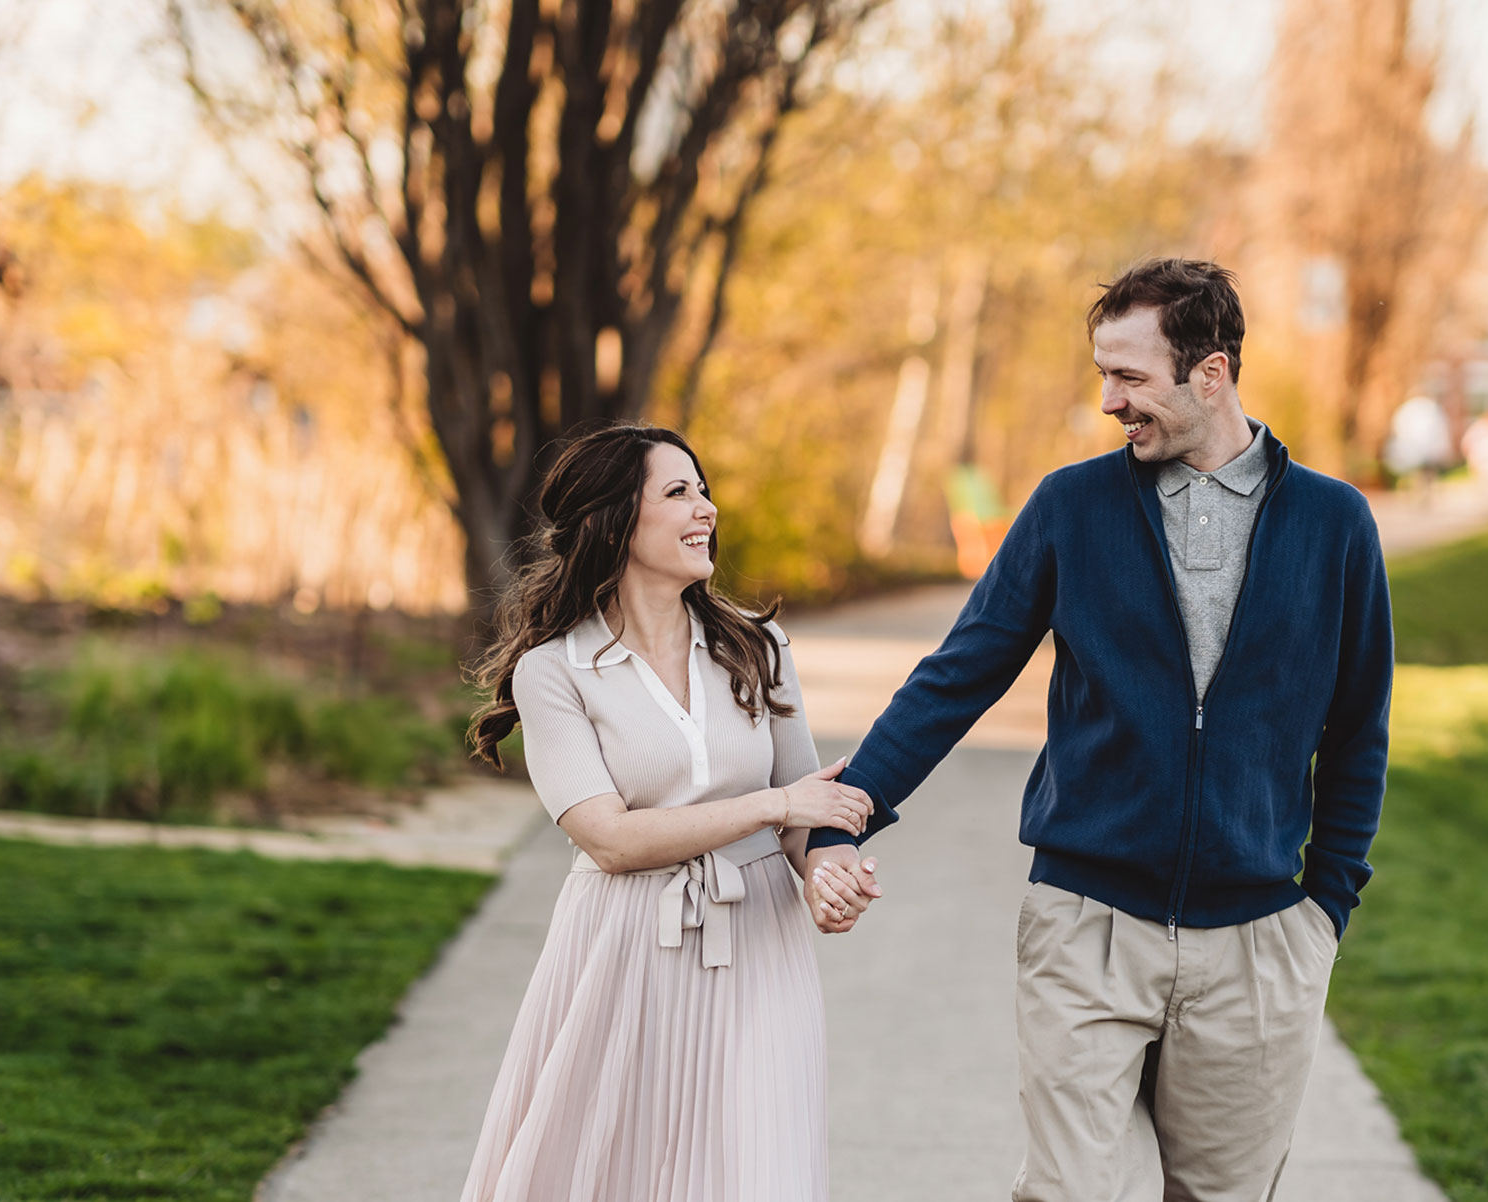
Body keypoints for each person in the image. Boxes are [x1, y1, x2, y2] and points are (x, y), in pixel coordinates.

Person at [803, 260, 1394, 1202]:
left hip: (1258, 941)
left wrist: (1325, 906)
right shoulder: (1071, 508)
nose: (1110, 401)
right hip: (1087, 925)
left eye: (1130, 378)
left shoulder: (1334, 523)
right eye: (1102, 375)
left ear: (1211, 373)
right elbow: (958, 677)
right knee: (1069, 1192)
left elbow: (1361, 728)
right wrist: (846, 811)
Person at [460, 424, 875, 1202]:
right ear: (614, 520)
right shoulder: (555, 672)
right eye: (679, 492)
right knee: (615, 1172)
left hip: (760, 944)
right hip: (621, 948)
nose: (706, 509)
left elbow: (802, 813)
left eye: (704, 489)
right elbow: (610, 839)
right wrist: (778, 804)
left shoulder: (759, 646)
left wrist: (829, 871)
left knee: (760, 1170)